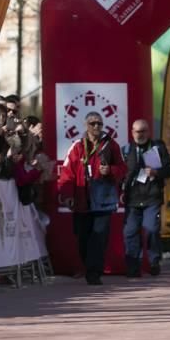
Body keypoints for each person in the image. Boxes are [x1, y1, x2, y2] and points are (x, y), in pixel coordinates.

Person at [58, 111, 127, 285]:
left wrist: (110, 170)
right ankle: (90, 266)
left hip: (102, 200)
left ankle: (94, 272)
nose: (96, 127)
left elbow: (123, 168)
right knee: (82, 238)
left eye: (99, 123)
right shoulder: (77, 147)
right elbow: (67, 174)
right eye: (92, 123)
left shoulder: (111, 145)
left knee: (99, 237)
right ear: (86, 126)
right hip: (82, 201)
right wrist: (67, 195)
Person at [121, 119, 170, 278]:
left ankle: (153, 261)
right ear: (132, 132)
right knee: (130, 232)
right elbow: (120, 173)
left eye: (144, 131)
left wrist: (157, 173)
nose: (141, 134)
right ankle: (133, 265)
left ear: (149, 132)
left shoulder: (157, 148)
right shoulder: (126, 150)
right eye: (137, 131)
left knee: (151, 229)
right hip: (132, 199)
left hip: (152, 197)